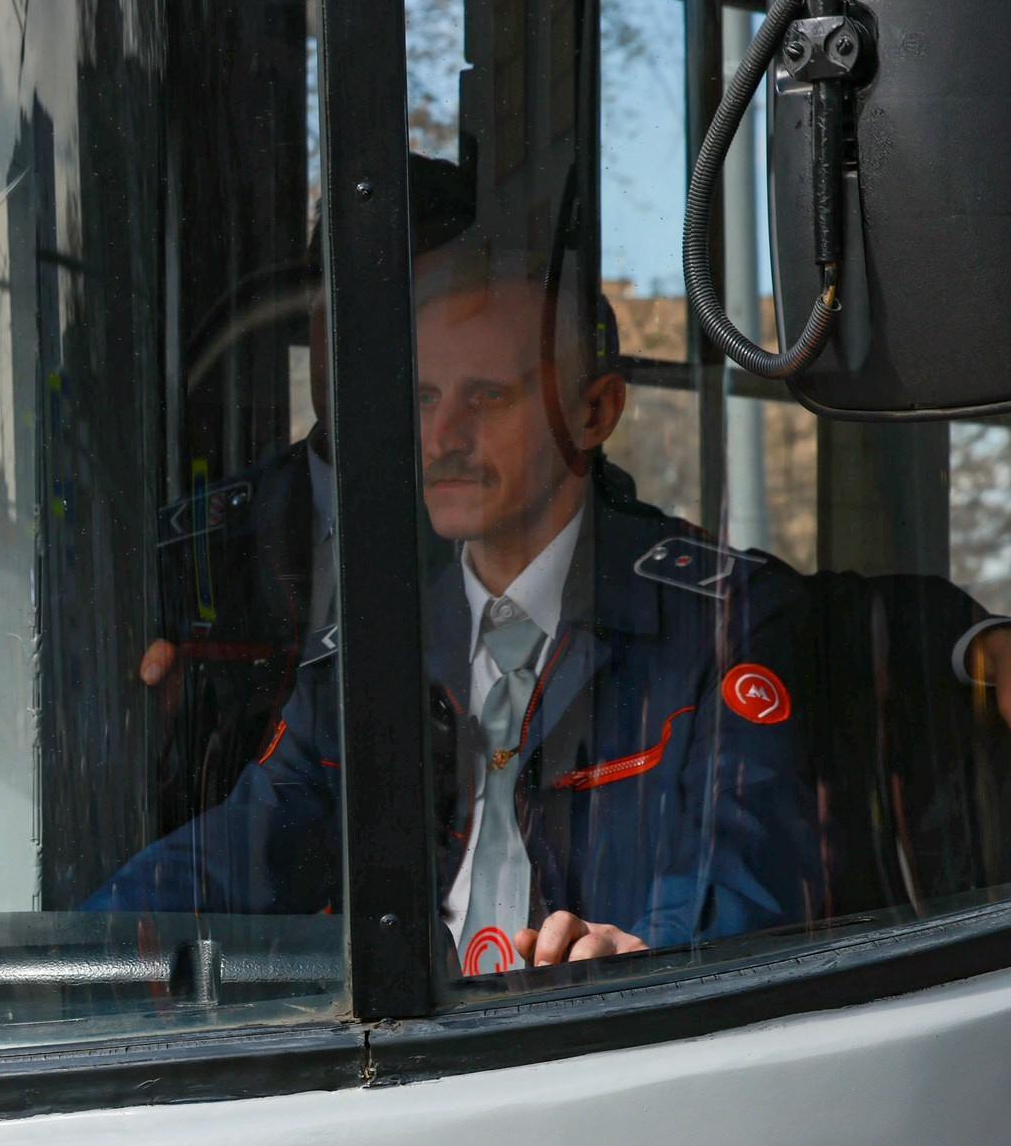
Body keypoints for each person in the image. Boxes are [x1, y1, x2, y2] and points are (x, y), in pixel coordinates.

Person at [86, 246, 824, 971]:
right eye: (424, 399)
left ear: (595, 412)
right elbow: (241, 846)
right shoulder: (373, 651)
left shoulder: (724, 625)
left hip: (614, 1040)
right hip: (425, 1049)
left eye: (487, 397)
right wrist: (82, 951)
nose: (441, 439)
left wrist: (640, 958)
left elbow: (746, 874)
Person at [130, 154, 477, 838]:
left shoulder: (519, 541)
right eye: (345, 302)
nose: (374, 342)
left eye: (419, 310)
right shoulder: (186, 557)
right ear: (310, 315)